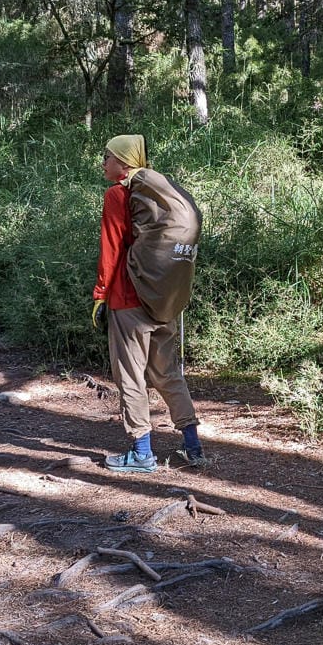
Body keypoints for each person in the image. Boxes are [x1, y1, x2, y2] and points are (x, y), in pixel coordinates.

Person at [92, 134, 207, 473]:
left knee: (130, 375)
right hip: (162, 296)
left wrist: (100, 293)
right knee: (168, 372)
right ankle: (193, 446)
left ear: (124, 162)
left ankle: (142, 453)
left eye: (108, 157)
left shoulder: (117, 194)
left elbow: (111, 248)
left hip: (129, 299)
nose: (104, 163)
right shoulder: (154, 198)